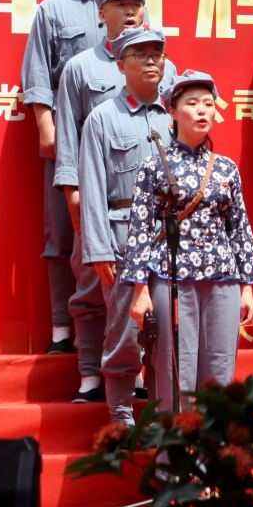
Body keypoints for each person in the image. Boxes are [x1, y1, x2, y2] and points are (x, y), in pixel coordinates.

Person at [52, 0, 175, 402]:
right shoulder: (80, 66)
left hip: (156, 214)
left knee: (154, 301)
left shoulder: (166, 66)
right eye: (119, 4)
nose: (129, 11)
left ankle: (138, 378)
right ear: (101, 13)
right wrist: (71, 190)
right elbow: (69, 133)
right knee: (92, 285)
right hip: (100, 195)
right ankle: (90, 374)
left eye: (135, 4)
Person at [123, 71, 253, 405]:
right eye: (192, 103)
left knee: (220, 367)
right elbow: (140, 228)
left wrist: (247, 287)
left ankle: (213, 437)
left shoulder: (226, 168)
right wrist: (140, 291)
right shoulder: (154, 166)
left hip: (223, 278)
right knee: (176, 369)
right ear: (172, 111)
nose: (202, 111)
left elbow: (239, 227)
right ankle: (175, 439)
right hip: (172, 278)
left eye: (208, 104)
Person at [21, 0, 115, 355]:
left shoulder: (129, 4)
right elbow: (38, 74)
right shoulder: (53, 9)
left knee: (118, 227)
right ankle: (63, 327)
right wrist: (47, 127)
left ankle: (114, 324)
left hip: (118, 139)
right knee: (62, 232)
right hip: (70, 134)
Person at [79, 28, 173, 425]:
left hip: (172, 241)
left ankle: (163, 413)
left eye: (157, 53)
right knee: (125, 332)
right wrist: (99, 250)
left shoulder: (176, 114)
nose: (151, 60)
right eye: (140, 54)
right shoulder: (102, 119)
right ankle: (119, 413)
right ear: (120, 65)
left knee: (168, 332)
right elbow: (92, 188)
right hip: (121, 239)